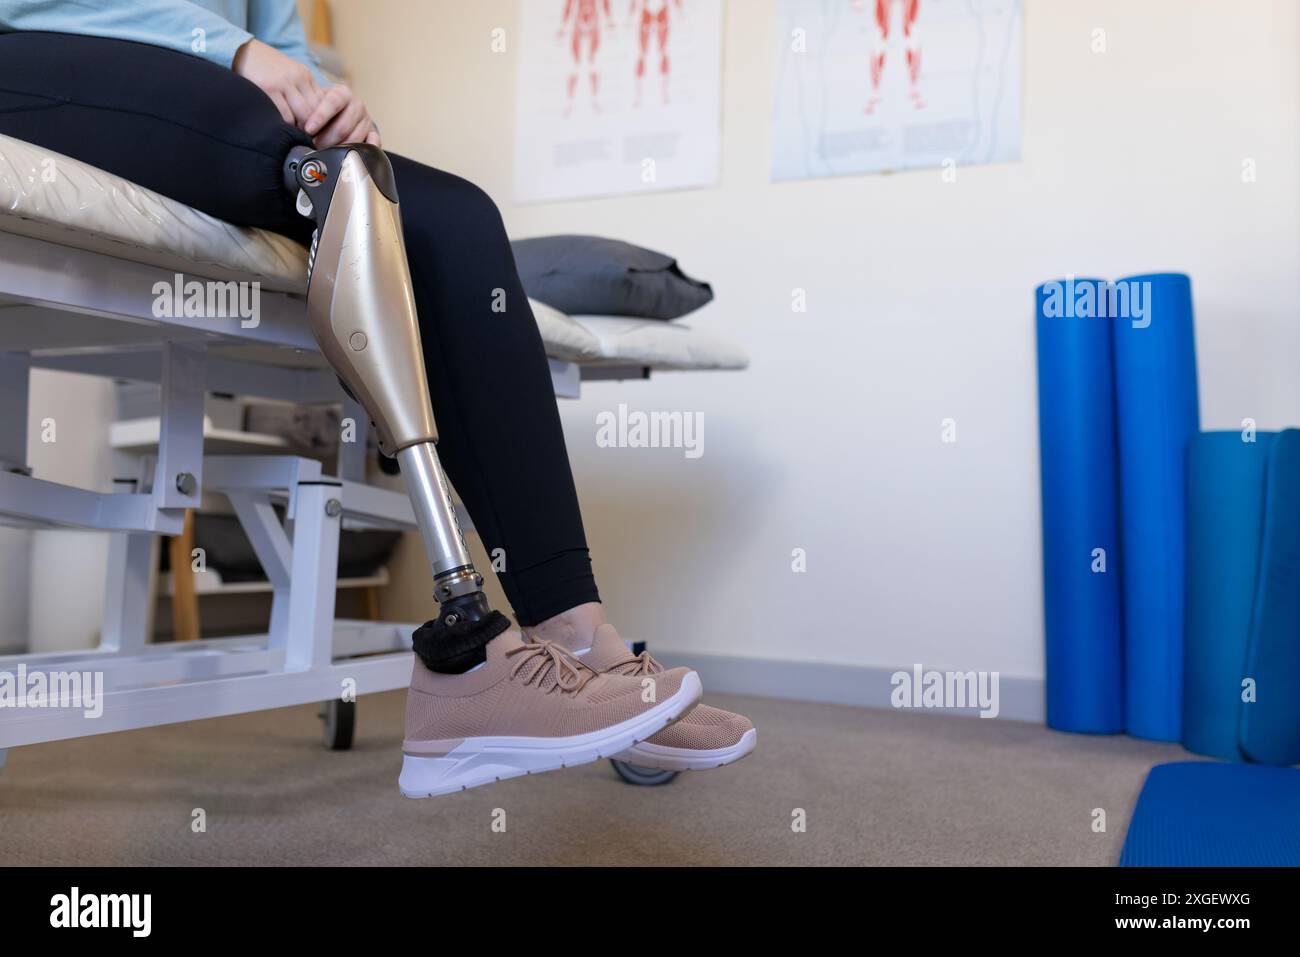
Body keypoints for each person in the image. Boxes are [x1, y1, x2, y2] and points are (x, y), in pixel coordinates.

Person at [0, 1, 754, 795]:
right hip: (42, 58)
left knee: (452, 216)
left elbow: (282, 33)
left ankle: (574, 633)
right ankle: (467, 658)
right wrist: (239, 54)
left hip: (218, 87)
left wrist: (324, 94)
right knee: (314, 164)